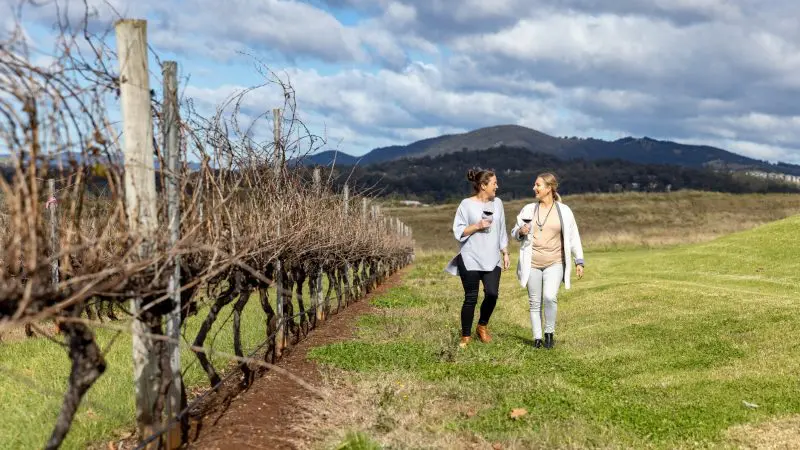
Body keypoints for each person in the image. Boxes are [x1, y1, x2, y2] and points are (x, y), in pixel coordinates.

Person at [511, 173, 584, 349]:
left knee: (550, 296)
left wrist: (579, 260)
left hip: (555, 262)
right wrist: (520, 231)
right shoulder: (528, 209)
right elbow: (514, 233)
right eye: (535, 185)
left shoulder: (564, 211)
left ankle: (549, 333)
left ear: (549, 188)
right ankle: (537, 338)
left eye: (538, 185)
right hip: (532, 263)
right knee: (534, 302)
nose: (534, 188)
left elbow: (574, 237)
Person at [445, 168, 510, 348]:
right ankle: (466, 336)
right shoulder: (466, 205)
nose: (497, 186)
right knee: (470, 297)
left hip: (492, 256)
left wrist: (505, 252)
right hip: (470, 256)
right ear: (483, 185)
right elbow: (458, 231)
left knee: (492, 294)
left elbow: (502, 229)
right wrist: (477, 226)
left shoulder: (498, 203)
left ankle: (482, 326)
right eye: (494, 183)